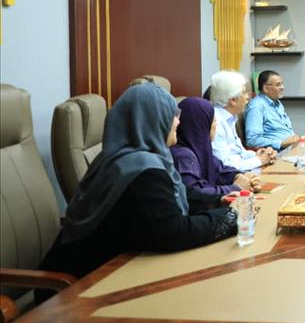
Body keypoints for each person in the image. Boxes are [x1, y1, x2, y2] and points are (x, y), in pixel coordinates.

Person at [39, 83, 238, 283]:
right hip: (79, 284)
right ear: (152, 119)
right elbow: (173, 233)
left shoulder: (122, 157)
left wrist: (217, 201)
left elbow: (171, 199)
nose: (178, 121)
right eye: (173, 115)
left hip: (115, 269)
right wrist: (230, 218)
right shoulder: (143, 170)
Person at [172, 97, 261, 196]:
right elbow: (195, 191)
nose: (216, 125)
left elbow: (220, 171)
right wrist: (235, 188)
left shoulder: (201, 150)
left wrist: (241, 177)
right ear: (202, 125)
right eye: (213, 121)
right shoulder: (184, 156)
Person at [210, 70, 276, 173]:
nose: (247, 97)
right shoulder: (216, 122)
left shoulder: (229, 118)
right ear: (233, 100)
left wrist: (259, 154)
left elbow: (239, 153)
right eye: (244, 92)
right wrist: (259, 160)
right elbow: (224, 165)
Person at [244, 70, 300, 150]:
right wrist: (281, 143)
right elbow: (252, 140)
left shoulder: (277, 103)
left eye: (282, 84)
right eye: (278, 85)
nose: (282, 87)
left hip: (290, 148)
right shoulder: (256, 106)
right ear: (266, 88)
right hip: (276, 153)